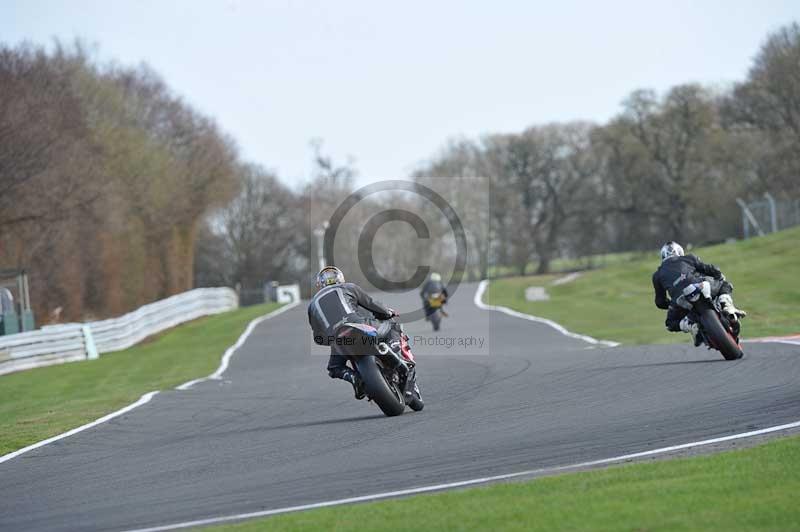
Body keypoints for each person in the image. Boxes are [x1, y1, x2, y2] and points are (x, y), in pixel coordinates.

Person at [308, 266, 418, 400]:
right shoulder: (348, 287)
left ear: (320, 284)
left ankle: (354, 377)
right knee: (393, 326)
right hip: (359, 326)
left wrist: (331, 340)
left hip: (339, 339)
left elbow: (318, 338)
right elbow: (371, 304)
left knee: (334, 368)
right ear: (340, 278)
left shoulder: (312, 304)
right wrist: (387, 312)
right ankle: (399, 357)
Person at [652, 241, 746, 345]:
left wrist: (670, 304)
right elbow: (708, 268)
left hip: (680, 299)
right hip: (700, 286)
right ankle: (726, 305)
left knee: (670, 324)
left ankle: (690, 326)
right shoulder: (689, 258)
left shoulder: (657, 275)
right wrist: (718, 274)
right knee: (724, 284)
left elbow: (660, 301)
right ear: (679, 251)